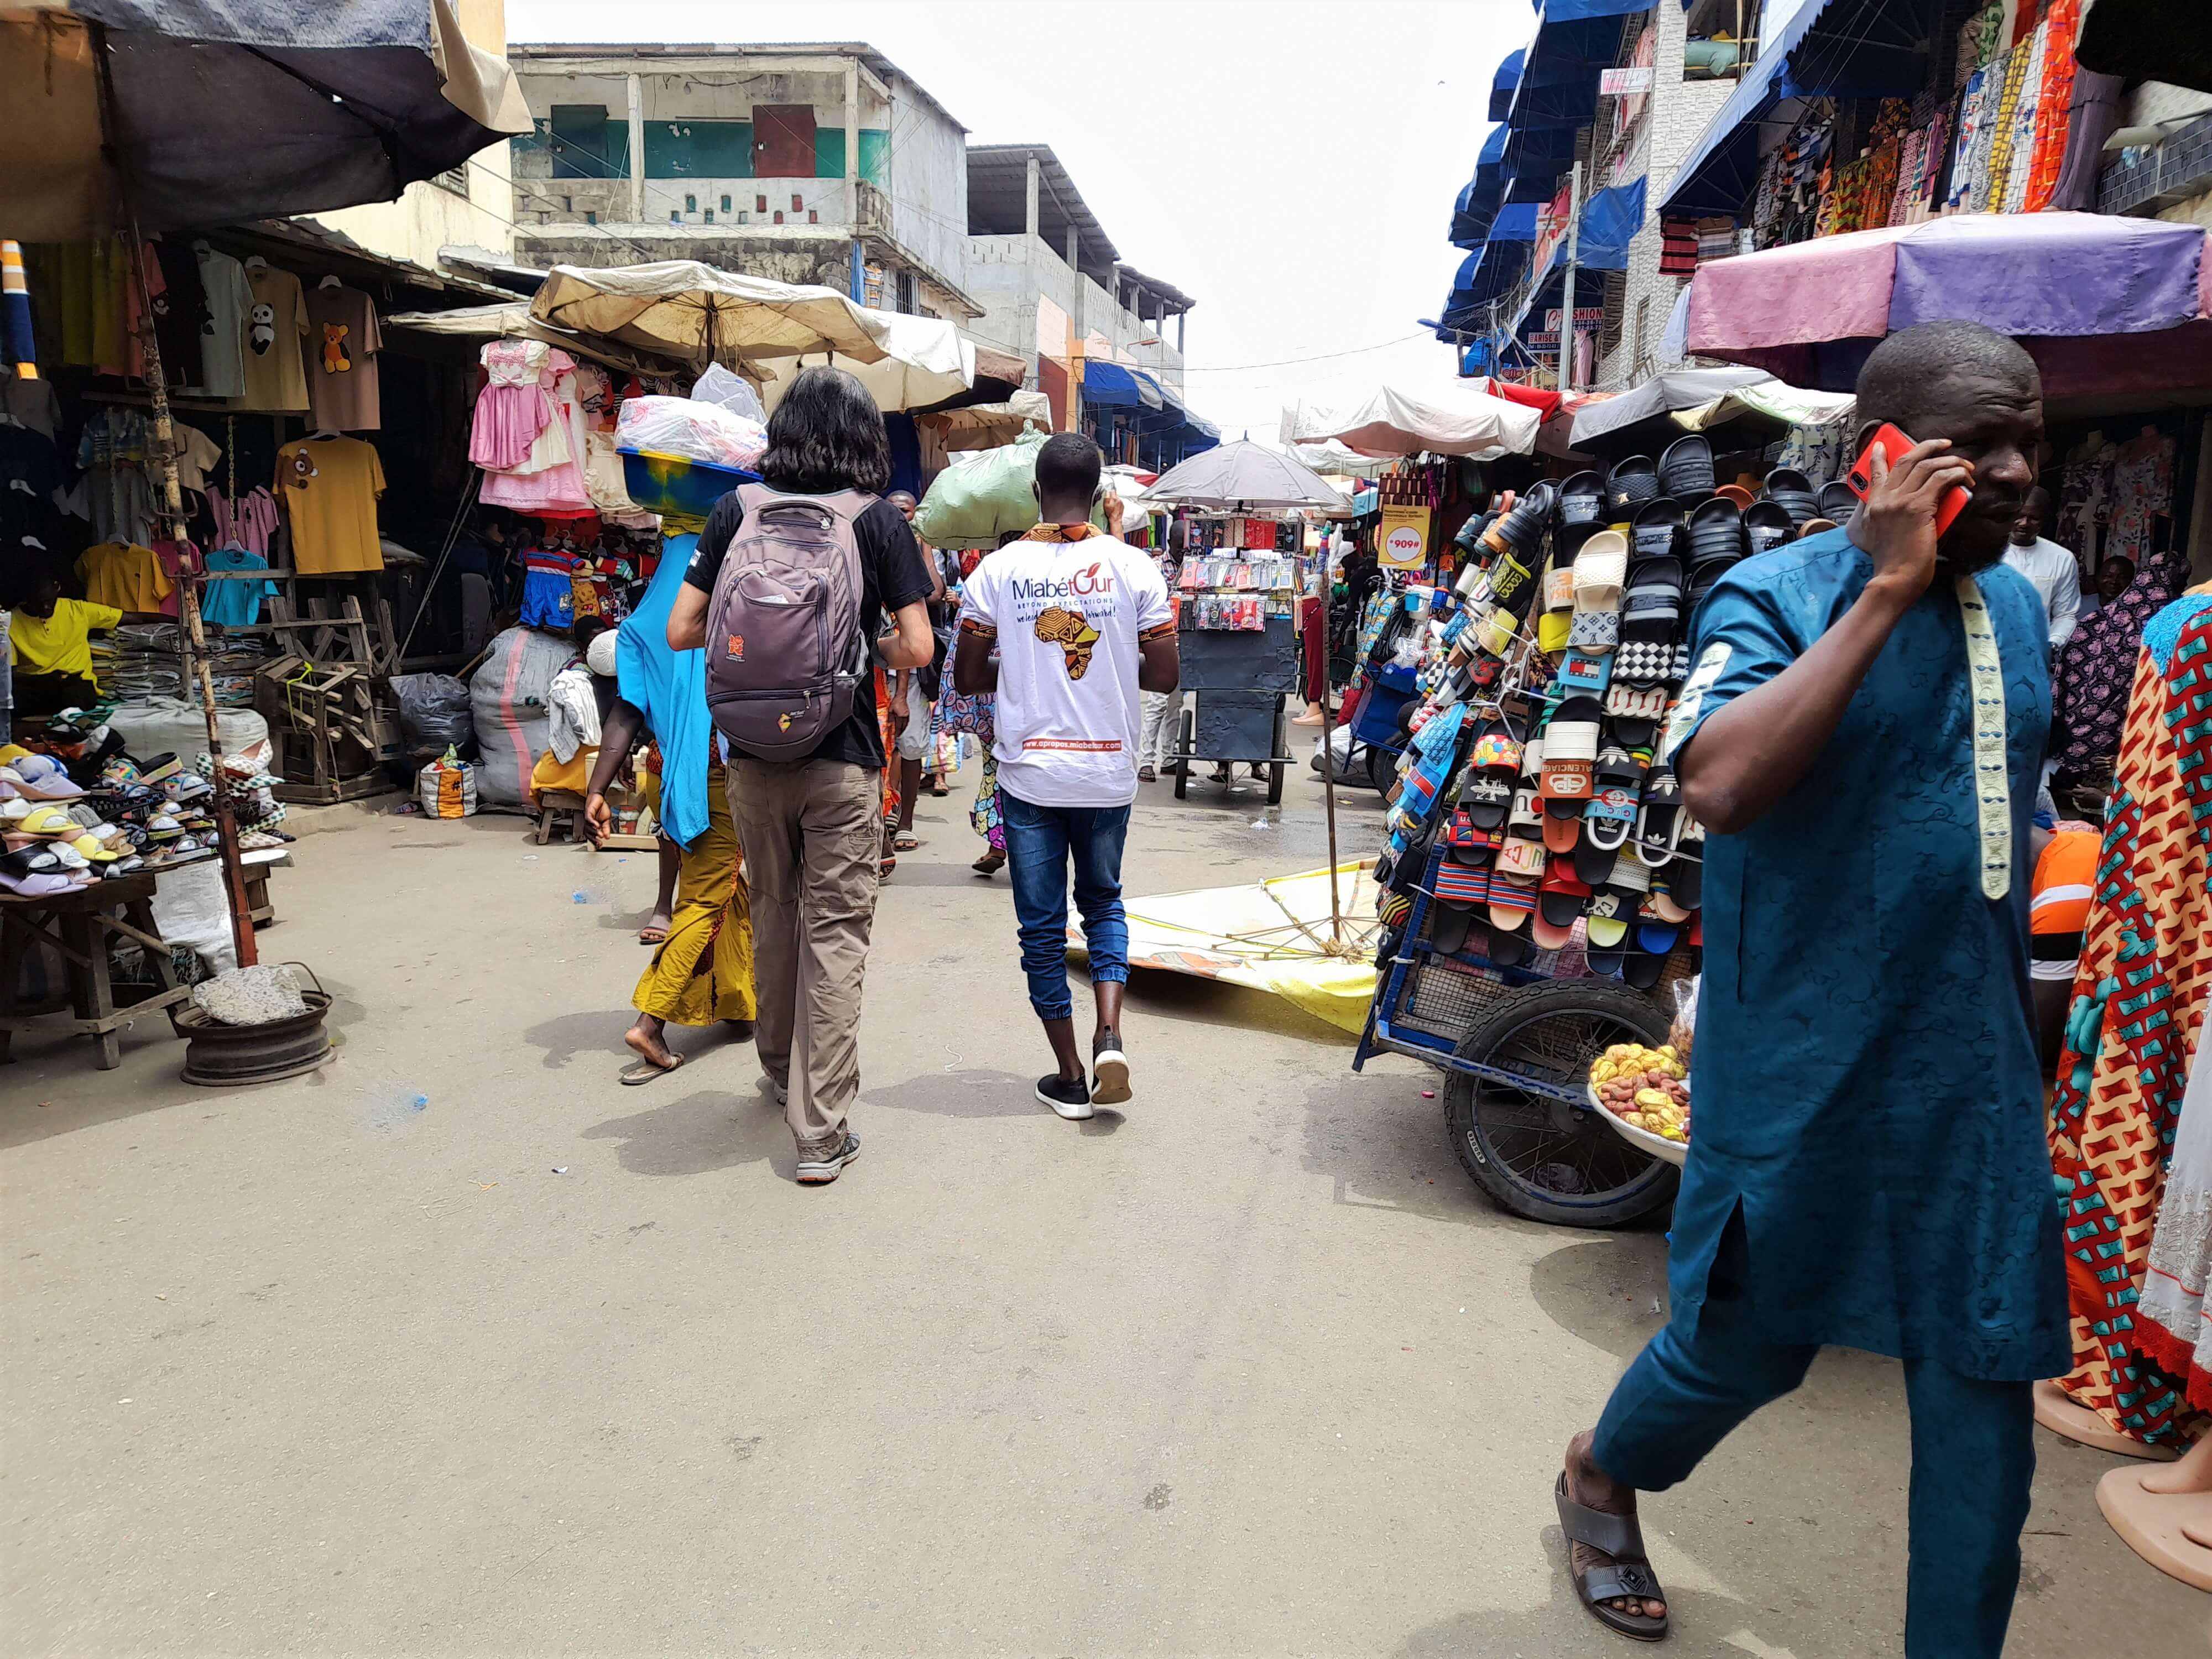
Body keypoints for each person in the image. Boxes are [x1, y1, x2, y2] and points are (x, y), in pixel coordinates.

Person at [1552, 320, 2064, 1657]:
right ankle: (1602, 1469)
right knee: (1745, 1346)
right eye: (1977, 445)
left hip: (1972, 1075)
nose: (2014, 469)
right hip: (1800, 1059)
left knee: (1981, 1399)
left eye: (2029, 439)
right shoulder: (1773, 592)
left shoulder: (2018, 604)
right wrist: (1885, 588)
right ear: (1882, 456)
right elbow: (1716, 784)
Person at [668, 366, 933, 1185]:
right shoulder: (876, 523)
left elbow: (683, 630)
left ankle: (780, 1069)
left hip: (751, 755)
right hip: (841, 758)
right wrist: (868, 647)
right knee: (837, 931)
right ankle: (819, 1133)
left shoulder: (733, 512)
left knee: (776, 910)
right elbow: (919, 648)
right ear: (863, 439)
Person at [953, 432, 1177, 1119]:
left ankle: (1071, 1076)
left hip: (1031, 777)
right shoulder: (1136, 568)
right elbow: (1165, 676)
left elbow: (966, 677)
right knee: (1104, 903)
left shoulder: (997, 571)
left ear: (1034, 492)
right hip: (1107, 770)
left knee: (1041, 930)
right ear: (1102, 494)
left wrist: (1023, 660)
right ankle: (1110, 1031)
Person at [2050, 532, 2191, 807]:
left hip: (2080, 715)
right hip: (2129, 723)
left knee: (2075, 787)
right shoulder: (2168, 624)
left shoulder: (2103, 616)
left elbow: (2073, 657)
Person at [884, 488, 953, 855]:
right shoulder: (877, 540)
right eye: (894, 510)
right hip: (879, 661)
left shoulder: (923, 547)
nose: (901, 517)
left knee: (911, 746)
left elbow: (933, 593)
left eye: (907, 512)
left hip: (910, 663)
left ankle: (906, 819)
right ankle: (884, 818)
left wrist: (922, 545)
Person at [7, 571, 117, 718]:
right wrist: (45, 679)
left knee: (78, 692)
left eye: (49, 601)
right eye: (38, 604)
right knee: (10, 698)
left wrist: (158, 625)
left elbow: (130, 618)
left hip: (73, 686)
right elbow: (9, 674)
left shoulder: (78, 610)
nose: (46, 608)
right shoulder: (9, 622)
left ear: (57, 588)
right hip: (34, 686)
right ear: (26, 600)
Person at [2000, 485, 2080, 649]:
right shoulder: (1984, 551)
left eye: (2034, 518)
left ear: (2045, 519)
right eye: (2019, 515)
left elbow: (2066, 614)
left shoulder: (2062, 559)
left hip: (2033, 653)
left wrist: (2052, 644)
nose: (2024, 523)